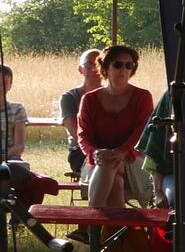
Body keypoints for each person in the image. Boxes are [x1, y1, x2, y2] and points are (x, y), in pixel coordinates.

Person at [76, 45, 155, 209]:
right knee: (115, 181)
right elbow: (83, 135)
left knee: (110, 164)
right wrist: (94, 152)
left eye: (129, 65)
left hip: (133, 157)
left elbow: (142, 133)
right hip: (97, 159)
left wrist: (122, 151)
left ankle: (93, 223)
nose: (124, 69)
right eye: (118, 64)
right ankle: (116, 232)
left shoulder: (142, 97)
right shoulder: (90, 99)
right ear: (105, 67)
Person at [58, 48, 102, 176]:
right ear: (80, 69)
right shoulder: (69, 97)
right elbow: (76, 133)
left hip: (111, 151)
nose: (95, 69)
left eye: (99, 64)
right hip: (81, 151)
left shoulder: (114, 96)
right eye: (89, 65)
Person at [0, 66, 25, 163]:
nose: (1, 87)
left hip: (9, 159)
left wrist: (4, 157)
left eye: (4, 83)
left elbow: (19, 145)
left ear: (10, 85)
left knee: (17, 169)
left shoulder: (17, 109)